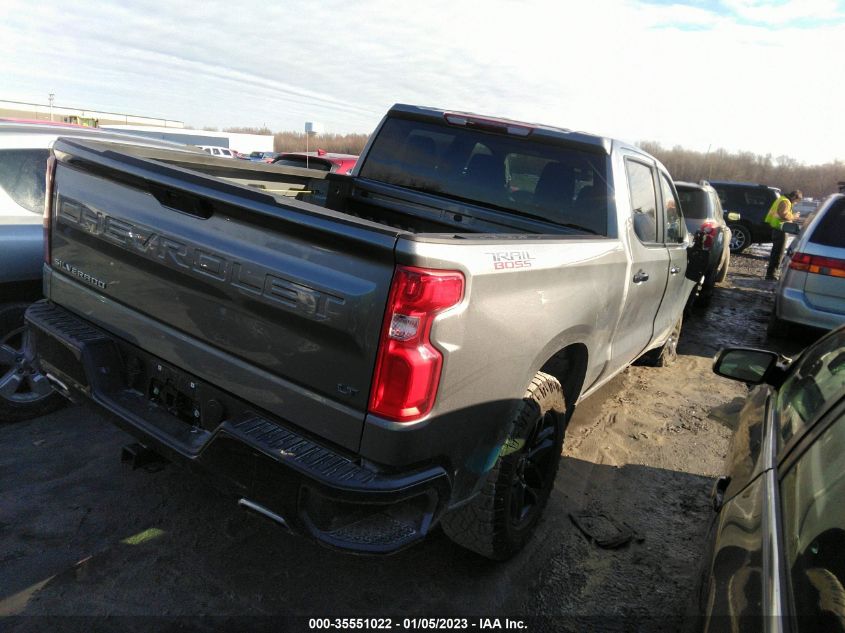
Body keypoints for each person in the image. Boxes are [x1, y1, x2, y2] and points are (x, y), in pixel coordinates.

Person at [765, 189, 802, 280]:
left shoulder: (781, 199)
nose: (795, 203)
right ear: (794, 197)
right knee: (778, 253)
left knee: (775, 252)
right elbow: (783, 214)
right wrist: (794, 216)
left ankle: (770, 273)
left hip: (777, 228)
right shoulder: (785, 201)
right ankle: (771, 275)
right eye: (796, 201)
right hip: (780, 229)